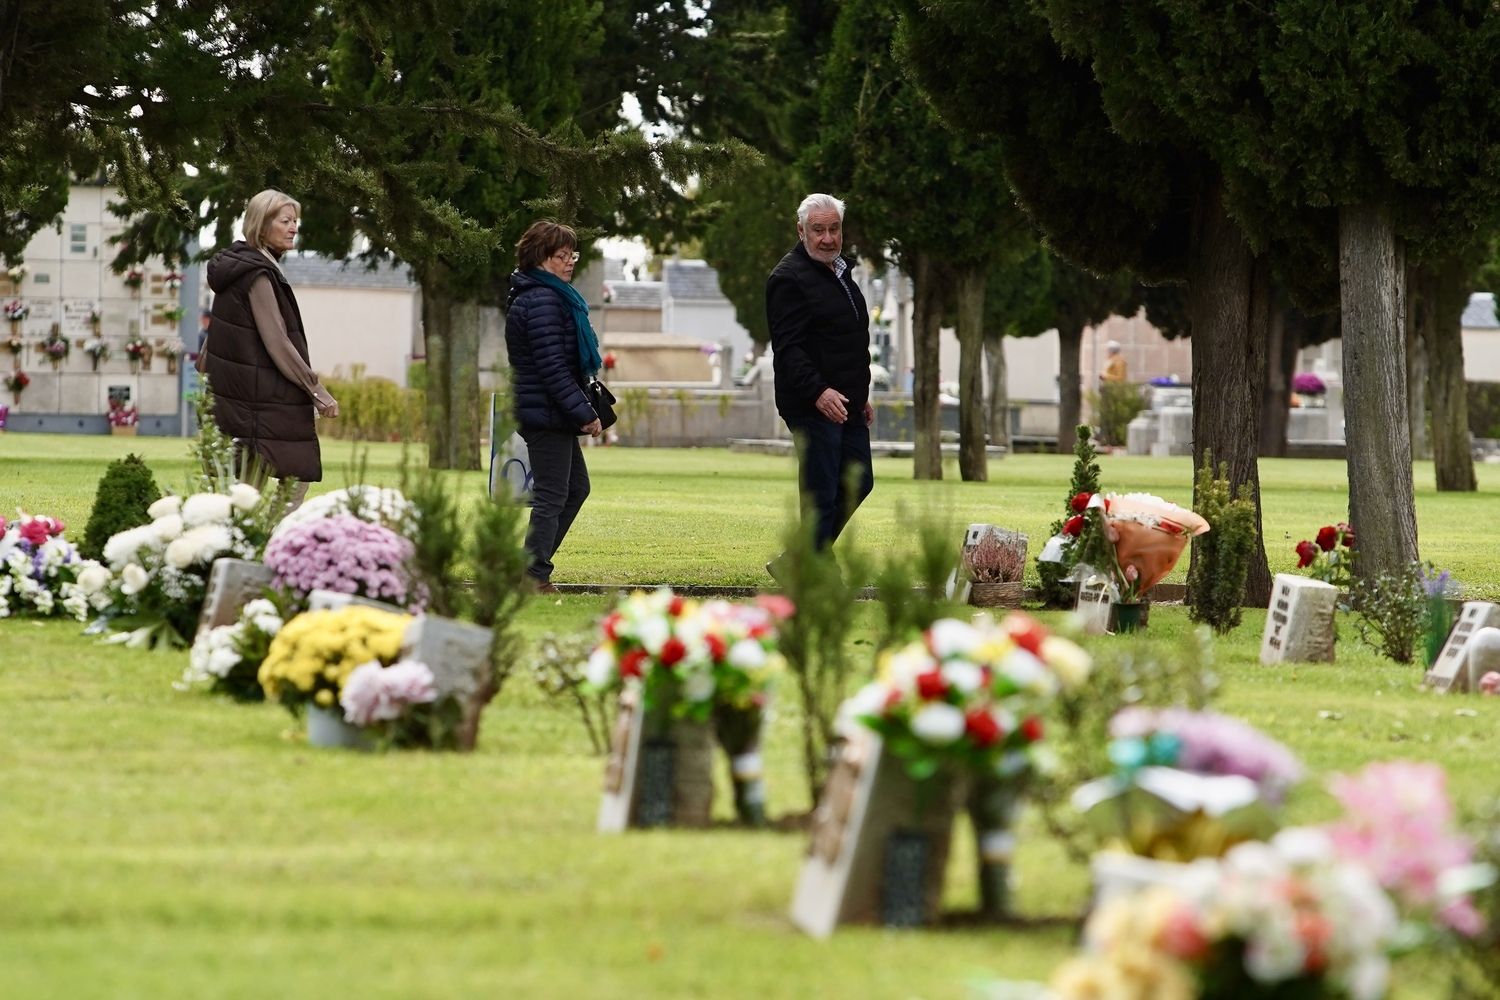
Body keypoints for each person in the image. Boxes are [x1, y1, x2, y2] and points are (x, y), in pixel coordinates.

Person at [201, 189, 338, 508]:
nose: (294, 228)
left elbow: (217, 337)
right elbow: (277, 340)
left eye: (296, 221)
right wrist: (317, 392)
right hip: (260, 399)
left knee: (249, 483)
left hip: (241, 395)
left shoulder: (238, 269)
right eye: (286, 220)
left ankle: (250, 543)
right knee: (292, 477)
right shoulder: (257, 275)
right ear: (261, 226)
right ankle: (268, 541)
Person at [765, 192, 873, 558]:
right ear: (801, 231)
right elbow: (789, 348)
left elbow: (848, 339)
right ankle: (815, 571)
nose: (828, 238)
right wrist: (819, 392)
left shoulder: (841, 272)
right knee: (822, 492)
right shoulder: (788, 278)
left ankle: (799, 559)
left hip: (848, 401)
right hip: (812, 403)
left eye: (834, 229)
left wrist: (861, 393)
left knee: (859, 482)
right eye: (818, 230)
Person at [505, 220, 604, 594]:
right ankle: (531, 576)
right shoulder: (542, 299)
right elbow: (552, 368)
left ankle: (531, 566)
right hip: (545, 412)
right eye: (562, 256)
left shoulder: (545, 295)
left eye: (572, 255)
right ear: (541, 258)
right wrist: (585, 413)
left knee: (575, 489)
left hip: (550, 410)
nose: (569, 262)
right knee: (552, 495)